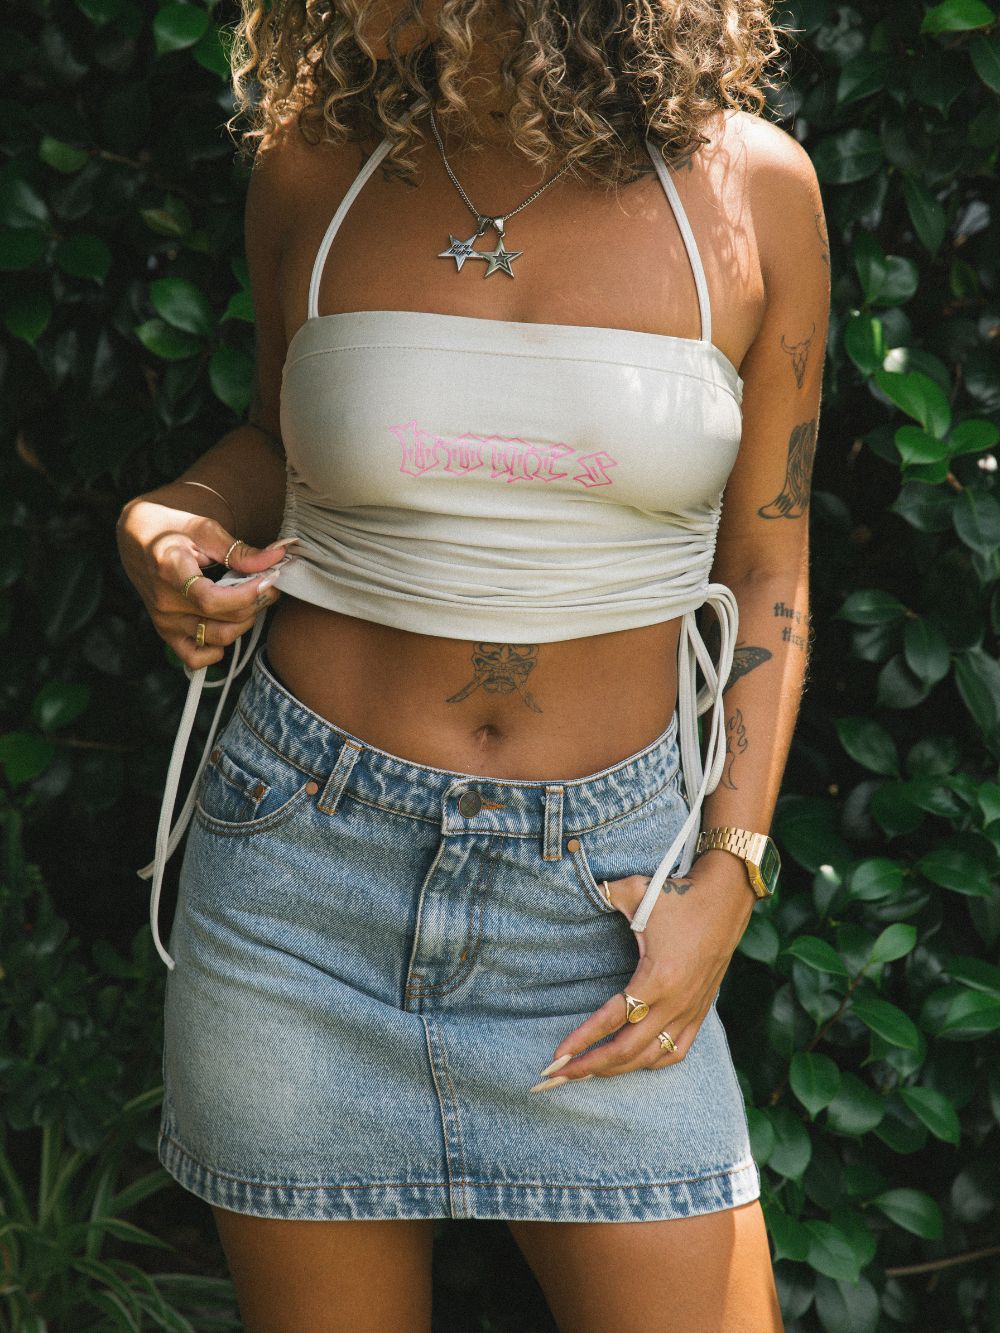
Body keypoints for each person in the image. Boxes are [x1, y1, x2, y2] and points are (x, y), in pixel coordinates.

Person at [116, 0, 829, 1325]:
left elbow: (768, 559)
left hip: (601, 898)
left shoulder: (751, 193)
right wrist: (172, 518)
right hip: (299, 885)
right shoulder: (314, 168)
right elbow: (282, 442)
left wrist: (729, 876)